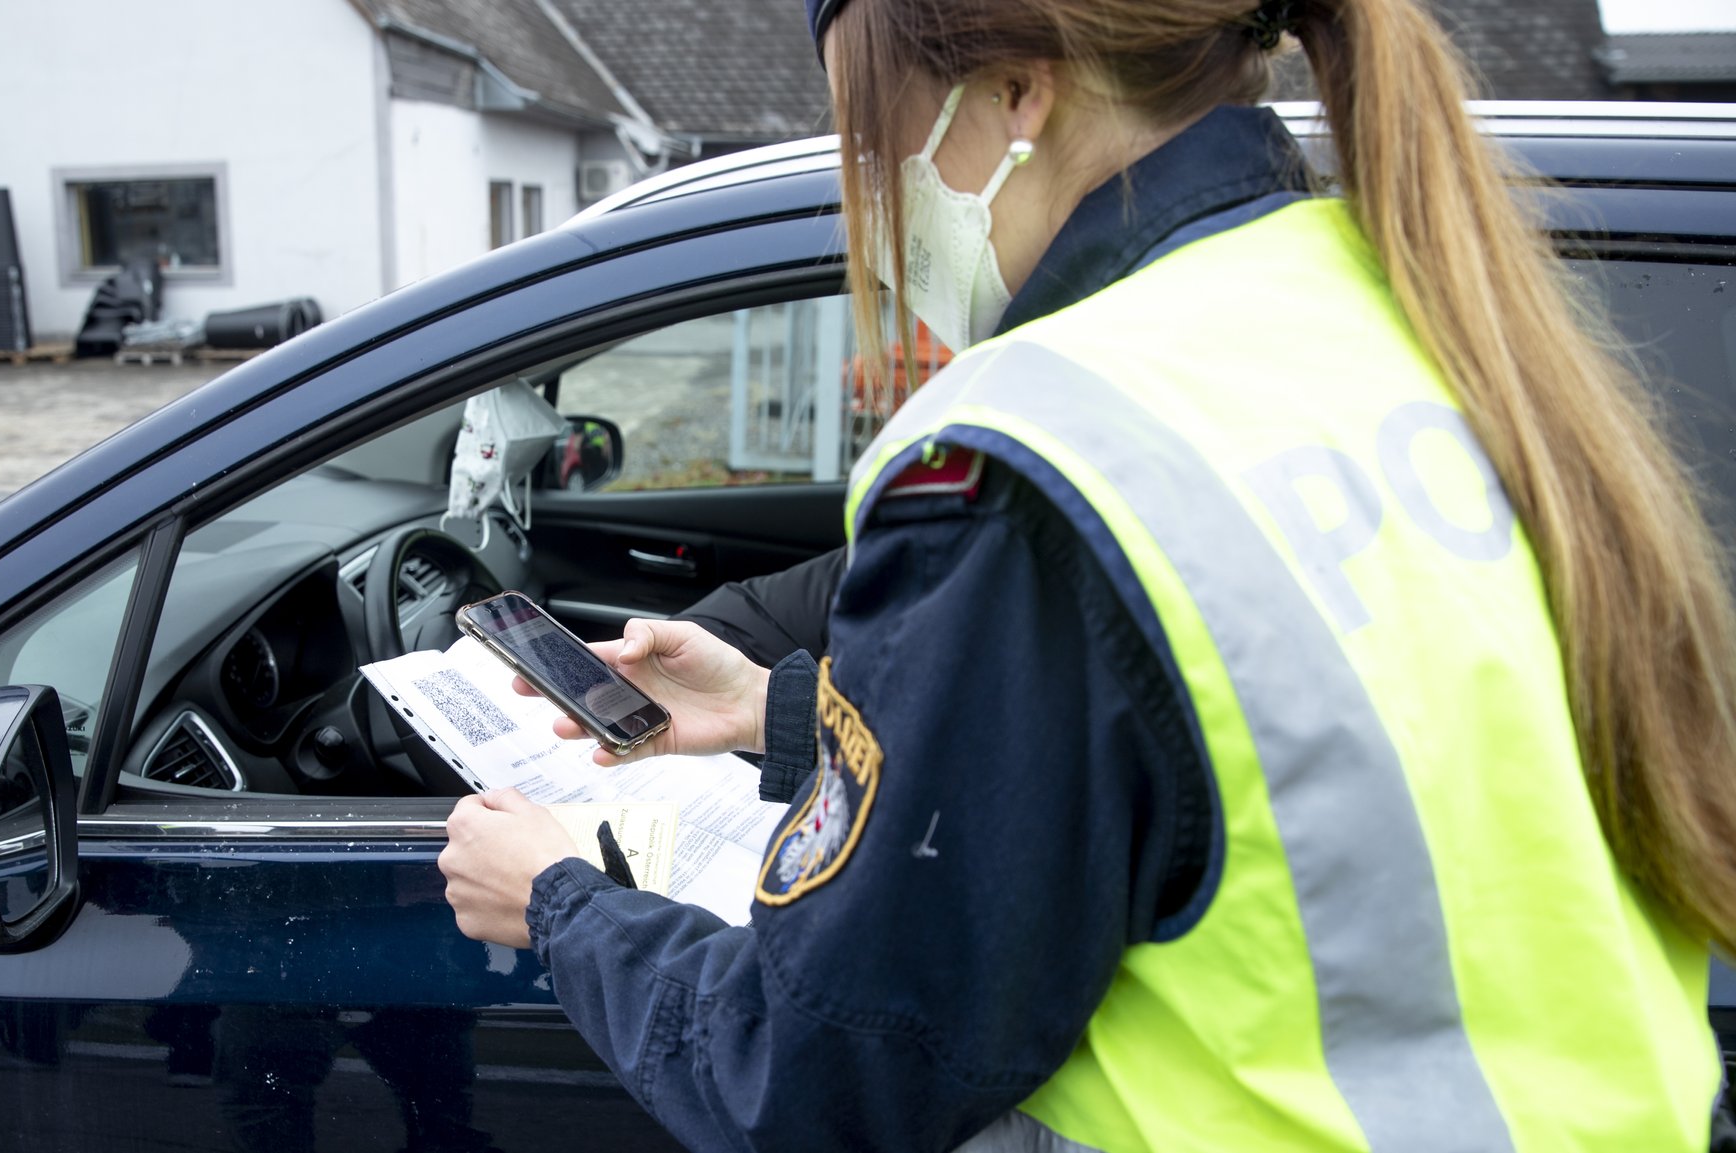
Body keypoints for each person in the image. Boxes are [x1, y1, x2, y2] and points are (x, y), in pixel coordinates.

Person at [439, 0, 1736, 1148]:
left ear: (1015, 91)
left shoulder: (1034, 446)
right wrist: (778, 710)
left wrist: (561, 901)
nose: (873, 198)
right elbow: (1282, 738)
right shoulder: (1401, 310)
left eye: (871, 135)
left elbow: (822, 1075)